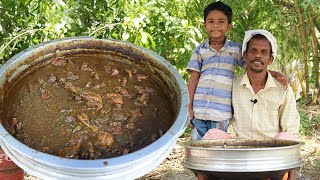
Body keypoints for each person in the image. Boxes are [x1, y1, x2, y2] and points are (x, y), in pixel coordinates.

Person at [203, 29, 300, 180]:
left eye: (264, 52)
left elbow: (291, 129)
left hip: (272, 154)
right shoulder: (232, 85)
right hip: (241, 151)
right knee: (211, 135)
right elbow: (221, 116)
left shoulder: (282, 90)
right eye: (253, 51)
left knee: (288, 137)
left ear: (270, 59)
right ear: (245, 56)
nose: (258, 55)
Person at [186, 1, 286, 141]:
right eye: (211, 21)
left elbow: (253, 66)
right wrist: (189, 105)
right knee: (198, 147)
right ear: (204, 26)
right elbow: (193, 78)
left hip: (221, 112)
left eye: (221, 22)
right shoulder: (200, 50)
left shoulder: (236, 50)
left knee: (217, 146)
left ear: (229, 27)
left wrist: (273, 74)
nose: (215, 25)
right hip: (199, 110)